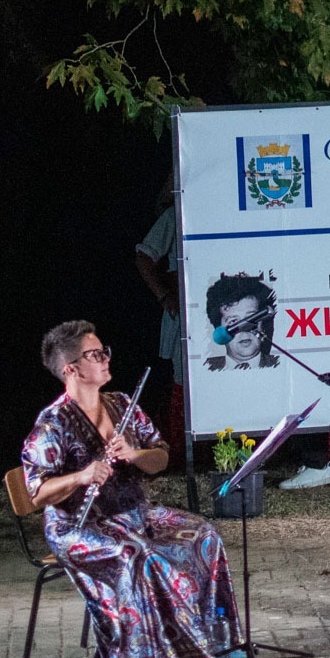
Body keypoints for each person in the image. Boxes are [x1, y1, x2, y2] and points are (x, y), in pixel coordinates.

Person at [21, 320, 241, 658]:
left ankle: (210, 648)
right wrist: (81, 476)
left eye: (104, 351)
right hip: (78, 525)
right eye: (95, 355)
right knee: (137, 556)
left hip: (135, 513)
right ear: (71, 369)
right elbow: (38, 494)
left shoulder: (122, 404)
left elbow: (161, 458)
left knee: (204, 535)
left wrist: (135, 454)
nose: (106, 359)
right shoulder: (53, 424)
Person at [135, 194, 185, 467]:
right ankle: (181, 452)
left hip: (230, 308)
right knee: (183, 378)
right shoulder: (176, 214)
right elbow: (144, 257)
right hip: (187, 311)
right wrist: (164, 295)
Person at [204, 273, 280, 370]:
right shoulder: (207, 368)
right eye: (233, 321)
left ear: (262, 324)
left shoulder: (278, 364)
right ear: (219, 328)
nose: (244, 329)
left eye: (251, 318)